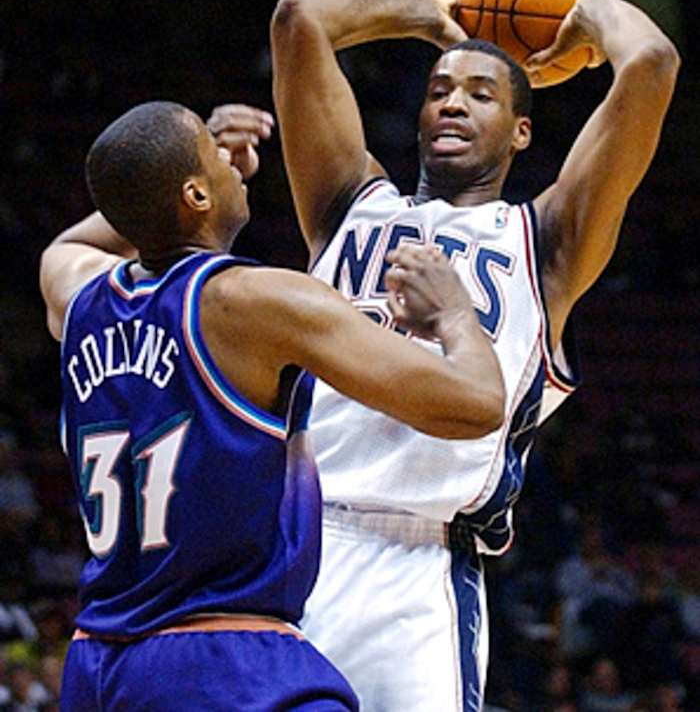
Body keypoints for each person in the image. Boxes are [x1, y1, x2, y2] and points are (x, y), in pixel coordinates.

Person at [214, 0, 679, 712]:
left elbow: (652, 63)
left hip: (418, 564)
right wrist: (434, 14)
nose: (453, 103)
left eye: (480, 93)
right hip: (293, 540)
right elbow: (301, 17)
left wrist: (588, 5)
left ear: (522, 130)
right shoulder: (348, 204)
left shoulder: (547, 241)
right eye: (439, 90)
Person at [39, 100, 506, 711]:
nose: (234, 167)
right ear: (196, 195)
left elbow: (71, 240)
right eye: (214, 158)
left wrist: (161, 185)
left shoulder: (79, 294)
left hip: (99, 660)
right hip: (224, 659)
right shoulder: (255, 302)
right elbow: (476, 405)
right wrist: (454, 312)